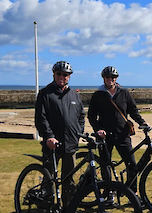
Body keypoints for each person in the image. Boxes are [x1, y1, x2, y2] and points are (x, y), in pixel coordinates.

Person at [88, 66, 150, 194]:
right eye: (107, 77)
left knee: (131, 165)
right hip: (104, 136)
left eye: (113, 77)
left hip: (122, 134)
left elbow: (133, 111)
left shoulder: (124, 93)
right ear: (103, 78)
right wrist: (98, 129)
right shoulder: (98, 95)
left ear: (116, 78)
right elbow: (91, 116)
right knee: (105, 166)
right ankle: (108, 194)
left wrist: (142, 122)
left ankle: (132, 192)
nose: (110, 79)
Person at [35, 60, 85, 207]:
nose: (62, 76)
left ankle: (68, 206)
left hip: (70, 144)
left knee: (69, 180)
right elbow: (40, 118)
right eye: (59, 74)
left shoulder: (74, 95)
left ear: (69, 77)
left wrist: (78, 132)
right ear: (54, 74)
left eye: (65, 74)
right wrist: (49, 136)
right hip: (52, 144)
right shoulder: (45, 94)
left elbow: (81, 115)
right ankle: (45, 206)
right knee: (49, 178)